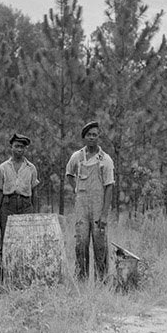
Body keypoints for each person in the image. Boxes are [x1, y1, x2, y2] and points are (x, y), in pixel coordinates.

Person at [64, 120, 115, 281]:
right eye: (89, 135)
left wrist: (104, 214)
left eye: (95, 135)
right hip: (81, 207)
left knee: (100, 244)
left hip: (99, 206)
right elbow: (69, 174)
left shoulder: (105, 159)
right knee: (81, 242)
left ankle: (102, 280)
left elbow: (109, 186)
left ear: (98, 137)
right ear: (84, 137)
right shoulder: (77, 157)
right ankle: (81, 279)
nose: (92, 137)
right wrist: (76, 188)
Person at [0, 133, 40, 278]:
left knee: (26, 242)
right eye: (16, 146)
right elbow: (0, 192)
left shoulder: (31, 168)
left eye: (22, 147)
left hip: (25, 206)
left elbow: (35, 193)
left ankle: (24, 277)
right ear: (11, 147)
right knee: (6, 242)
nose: (19, 149)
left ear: (25, 149)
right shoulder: (4, 167)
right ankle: (3, 278)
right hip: (7, 205)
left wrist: (35, 216)